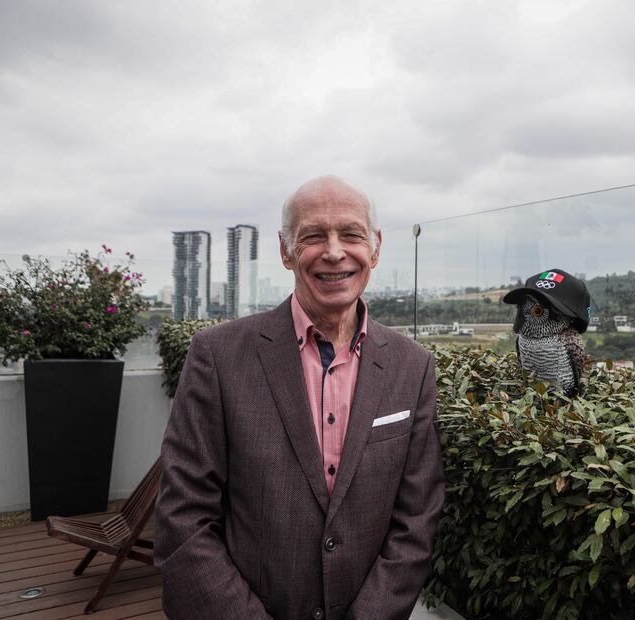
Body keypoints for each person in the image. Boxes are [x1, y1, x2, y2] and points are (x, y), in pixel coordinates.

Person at [155, 176, 445, 620]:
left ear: (376, 246)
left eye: (351, 234)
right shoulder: (217, 356)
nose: (333, 251)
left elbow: (416, 520)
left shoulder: (414, 366)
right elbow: (184, 519)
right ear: (286, 251)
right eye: (313, 236)